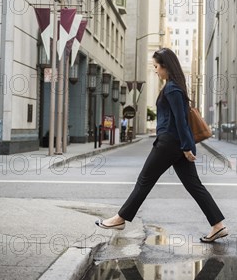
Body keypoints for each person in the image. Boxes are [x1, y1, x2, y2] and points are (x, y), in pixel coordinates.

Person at [96, 47, 228, 243]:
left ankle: (119, 219)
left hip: (169, 144)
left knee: (144, 180)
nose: (156, 70)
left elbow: (181, 120)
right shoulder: (175, 87)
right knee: (194, 185)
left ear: (166, 66)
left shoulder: (172, 88)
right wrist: (185, 146)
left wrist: (186, 147)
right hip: (176, 144)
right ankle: (218, 225)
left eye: (157, 66)